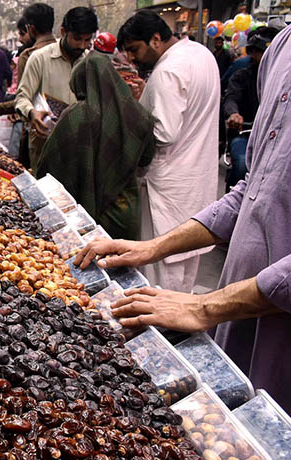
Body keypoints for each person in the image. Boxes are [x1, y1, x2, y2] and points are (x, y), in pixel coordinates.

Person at [74, 18, 291, 423]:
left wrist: (206, 306)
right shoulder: (284, 45)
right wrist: (150, 248)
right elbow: (256, 189)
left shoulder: (174, 68)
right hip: (237, 320)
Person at [111, 11, 219, 292]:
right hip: (195, 180)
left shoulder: (168, 70)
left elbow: (162, 133)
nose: (132, 59)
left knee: (159, 273)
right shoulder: (200, 54)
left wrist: (131, 115)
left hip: (167, 186)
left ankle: (162, 334)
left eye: (134, 49)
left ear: (156, 39)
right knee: (185, 269)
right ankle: (177, 331)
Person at [37, 52, 155, 240]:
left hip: (81, 213)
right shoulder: (139, 114)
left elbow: (50, 165)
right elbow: (146, 158)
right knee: (123, 264)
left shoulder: (75, 115)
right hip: (123, 212)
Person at [15, 6, 98, 170]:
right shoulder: (39, 58)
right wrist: (32, 113)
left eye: (87, 40)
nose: (82, 45)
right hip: (45, 146)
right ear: (63, 31)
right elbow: (22, 97)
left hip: (79, 148)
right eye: (77, 38)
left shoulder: (91, 62)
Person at [222, 28, 278, 189]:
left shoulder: (286, 81)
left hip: (275, 139)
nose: (254, 56)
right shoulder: (241, 76)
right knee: (241, 164)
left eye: (260, 51)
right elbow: (231, 98)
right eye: (253, 51)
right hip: (245, 134)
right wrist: (234, 114)